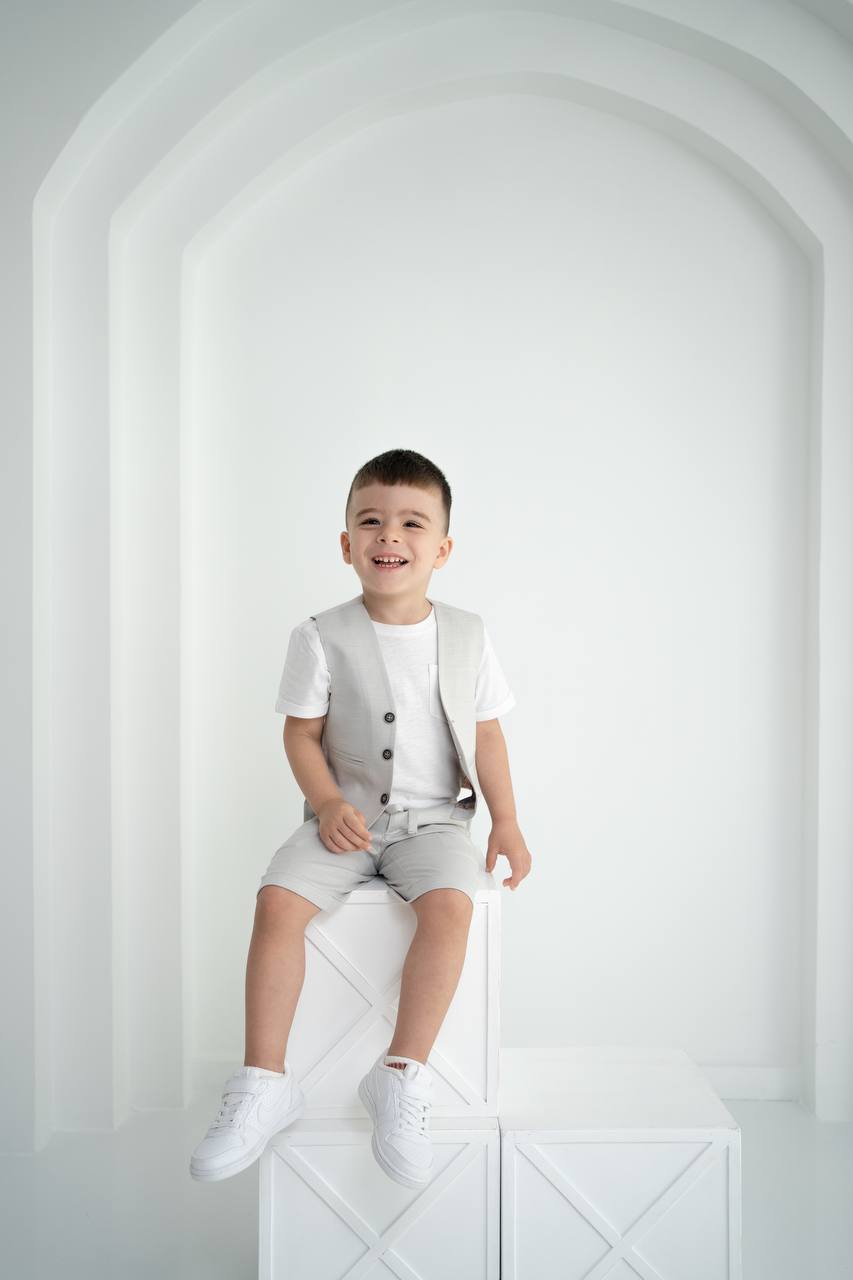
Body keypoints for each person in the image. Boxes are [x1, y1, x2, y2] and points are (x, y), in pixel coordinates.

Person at [189, 448, 532, 1188]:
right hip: (341, 822)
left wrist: (505, 820)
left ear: (442, 548)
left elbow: (488, 734)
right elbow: (300, 734)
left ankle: (401, 1074)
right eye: (371, 521)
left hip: (434, 823)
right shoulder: (319, 635)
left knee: (451, 907)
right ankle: (263, 1081)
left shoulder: (469, 634)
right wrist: (327, 802)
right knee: (277, 904)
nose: (390, 535)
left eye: (412, 523)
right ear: (347, 544)